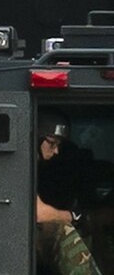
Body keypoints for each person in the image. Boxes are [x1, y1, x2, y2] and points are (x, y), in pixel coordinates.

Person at [36, 110, 102, 275]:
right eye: (52, 143)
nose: (56, 151)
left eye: (58, 145)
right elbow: (39, 214)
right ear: (37, 140)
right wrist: (73, 216)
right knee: (61, 229)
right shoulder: (19, 164)